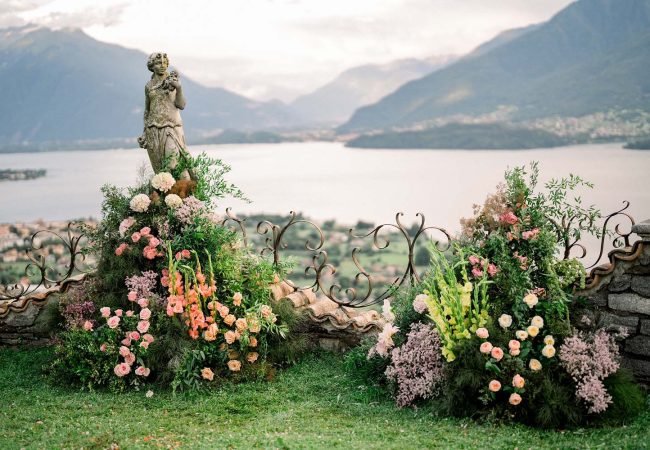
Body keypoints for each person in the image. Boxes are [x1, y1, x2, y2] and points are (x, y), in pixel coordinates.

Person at [138, 52, 191, 179]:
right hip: (153, 130)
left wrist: (179, 88)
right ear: (152, 66)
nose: (162, 65)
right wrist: (145, 132)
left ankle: (184, 194)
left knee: (172, 164)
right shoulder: (149, 86)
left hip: (171, 128)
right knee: (160, 170)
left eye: (164, 63)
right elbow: (147, 110)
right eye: (158, 63)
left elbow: (182, 105)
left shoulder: (173, 81)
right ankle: (167, 196)